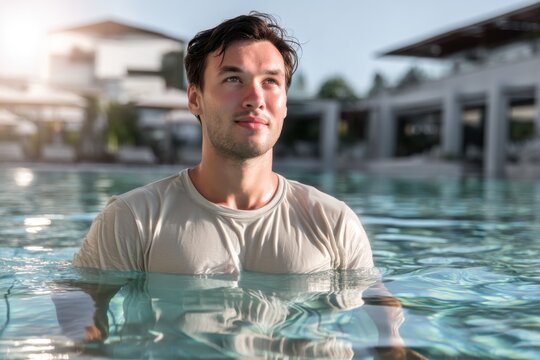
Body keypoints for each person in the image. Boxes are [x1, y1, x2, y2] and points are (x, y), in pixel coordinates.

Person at [73, 12, 373, 275]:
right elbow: (81, 310)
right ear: (194, 98)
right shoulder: (134, 220)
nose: (255, 99)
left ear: (284, 103)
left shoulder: (333, 223)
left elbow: (379, 313)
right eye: (233, 79)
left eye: (270, 81)